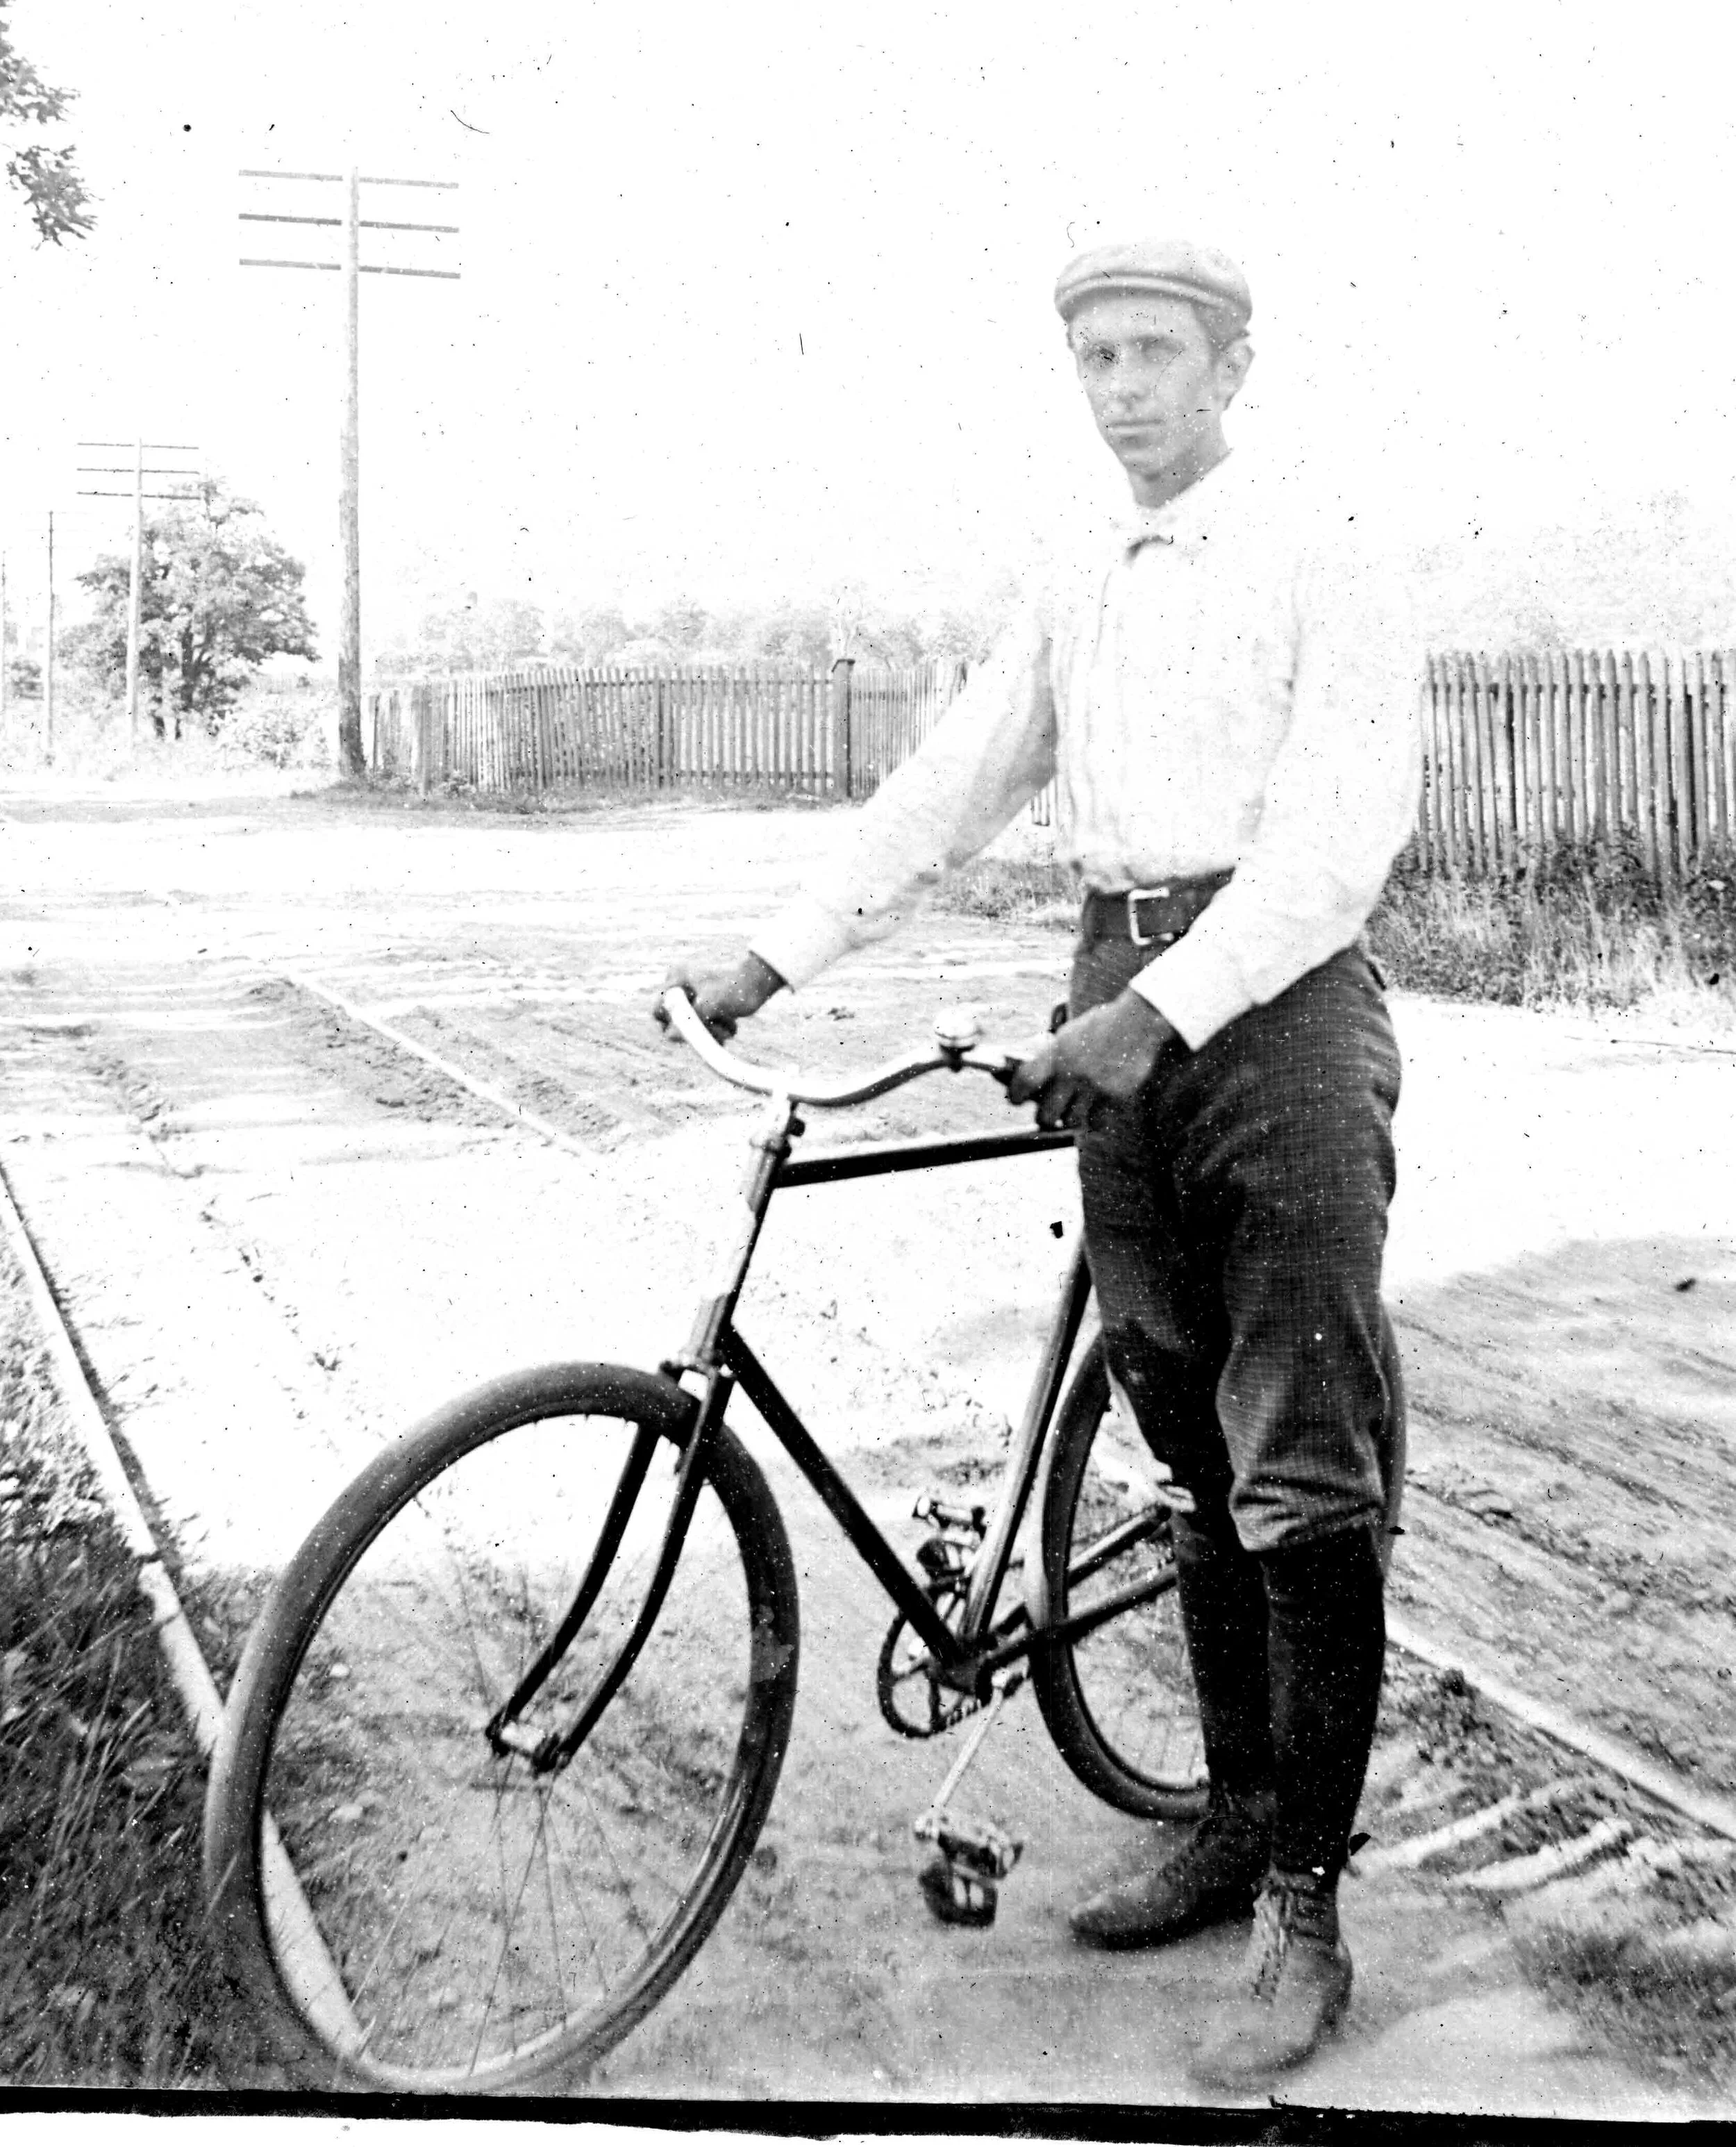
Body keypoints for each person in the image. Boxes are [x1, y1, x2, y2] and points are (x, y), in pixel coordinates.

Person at [660, 236, 1419, 2089]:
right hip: (1116, 988)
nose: (1121, 384)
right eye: (1091, 353)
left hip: (1278, 1016)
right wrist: (771, 956)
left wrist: (1159, 1011)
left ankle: (1304, 1907)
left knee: (1295, 1471)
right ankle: (1232, 1811)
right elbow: (951, 782)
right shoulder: (1076, 567)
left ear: (1230, 366)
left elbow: (1338, 837)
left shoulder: (1326, 551)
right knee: (1175, 1439)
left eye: (1155, 350)